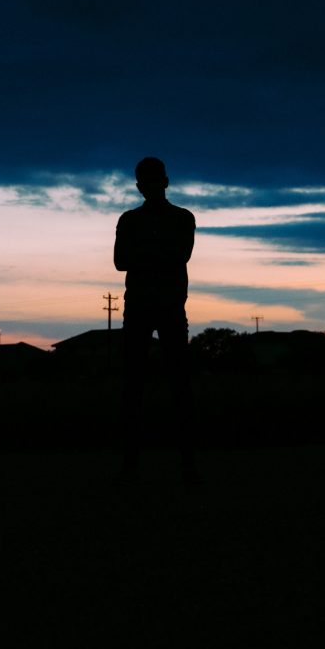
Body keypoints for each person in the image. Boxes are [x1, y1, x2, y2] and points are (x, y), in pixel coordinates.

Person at [114, 157, 197, 481]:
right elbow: (121, 261)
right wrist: (159, 253)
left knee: (178, 386)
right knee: (134, 386)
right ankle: (132, 466)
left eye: (154, 180)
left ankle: (186, 465)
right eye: (145, 181)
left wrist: (144, 254)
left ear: (165, 182)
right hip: (141, 308)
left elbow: (179, 255)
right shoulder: (132, 220)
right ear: (140, 186)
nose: (149, 186)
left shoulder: (180, 218)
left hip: (168, 308)